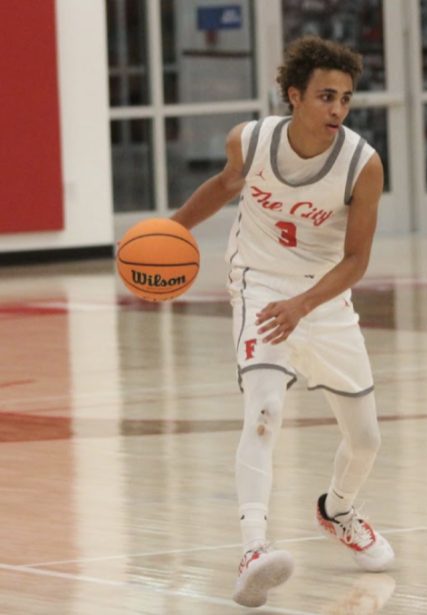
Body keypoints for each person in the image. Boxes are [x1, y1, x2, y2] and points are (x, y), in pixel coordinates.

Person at [170, 36, 394, 608]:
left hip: (325, 298)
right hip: (259, 285)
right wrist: (170, 233)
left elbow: (356, 261)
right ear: (294, 96)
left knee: (365, 439)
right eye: (325, 96)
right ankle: (253, 548)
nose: (337, 110)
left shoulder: (362, 164)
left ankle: (338, 510)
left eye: (345, 98)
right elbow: (223, 187)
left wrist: (305, 306)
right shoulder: (252, 140)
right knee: (265, 411)